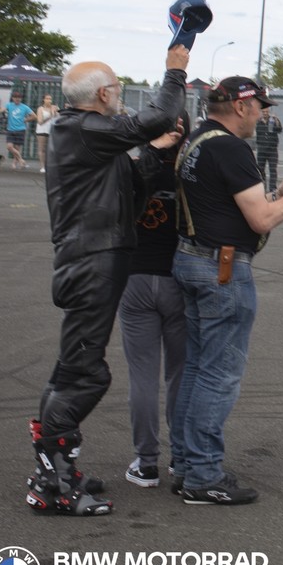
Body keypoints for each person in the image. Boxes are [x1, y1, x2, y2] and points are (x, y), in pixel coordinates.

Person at [25, 44, 189, 516]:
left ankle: (56, 471)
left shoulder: (88, 138)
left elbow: (132, 185)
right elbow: (157, 116)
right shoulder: (82, 128)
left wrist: (155, 154)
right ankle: (54, 481)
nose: (120, 96)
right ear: (102, 94)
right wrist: (174, 72)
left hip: (96, 259)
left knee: (72, 367)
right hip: (90, 262)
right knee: (85, 373)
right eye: (116, 89)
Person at [170, 77, 283, 505]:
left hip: (191, 256)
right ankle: (203, 475)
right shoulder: (231, 148)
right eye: (259, 105)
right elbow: (260, 221)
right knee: (219, 374)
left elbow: (229, 203)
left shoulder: (198, 139)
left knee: (198, 368)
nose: (263, 113)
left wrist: (282, 192)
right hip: (220, 268)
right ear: (240, 107)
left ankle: (187, 465)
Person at [117, 111, 190, 488]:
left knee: (142, 376)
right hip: (179, 280)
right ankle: (180, 457)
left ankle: (146, 462)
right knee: (180, 374)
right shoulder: (190, 174)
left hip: (136, 277)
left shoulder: (131, 168)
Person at [3, 88, 32, 169]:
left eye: (19, 97)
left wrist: (26, 119)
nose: (17, 99)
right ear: (12, 98)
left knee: (17, 148)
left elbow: (34, 116)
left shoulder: (24, 107)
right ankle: (21, 160)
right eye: (15, 97)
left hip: (20, 129)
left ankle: (14, 164)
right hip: (10, 129)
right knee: (9, 146)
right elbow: (3, 110)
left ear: (21, 98)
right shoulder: (9, 105)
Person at [253, 109, 282, 188]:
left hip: (272, 149)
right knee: (261, 170)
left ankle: (272, 188)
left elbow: (280, 130)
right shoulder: (258, 121)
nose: (265, 113)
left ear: (269, 112)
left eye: (266, 112)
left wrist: (276, 121)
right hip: (262, 149)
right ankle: (262, 187)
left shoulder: (273, 120)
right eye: (263, 112)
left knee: (273, 170)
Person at [33, 92, 57, 173]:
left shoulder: (53, 108)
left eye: (50, 99)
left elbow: (59, 117)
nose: (49, 100)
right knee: (42, 149)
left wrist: (56, 111)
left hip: (51, 131)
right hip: (42, 131)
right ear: (43, 100)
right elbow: (40, 121)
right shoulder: (40, 109)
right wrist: (50, 115)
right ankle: (42, 166)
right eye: (47, 99)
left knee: (50, 149)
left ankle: (49, 165)